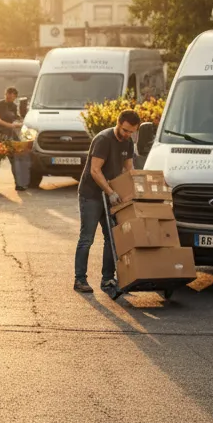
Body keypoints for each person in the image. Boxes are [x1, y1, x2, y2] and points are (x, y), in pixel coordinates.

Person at [75, 109, 141, 294]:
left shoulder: (128, 142)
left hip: (110, 195)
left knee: (111, 237)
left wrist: (133, 189)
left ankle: (107, 279)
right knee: (87, 238)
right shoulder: (103, 140)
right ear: (119, 124)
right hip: (91, 195)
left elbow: (129, 168)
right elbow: (95, 170)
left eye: (132, 132)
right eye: (126, 130)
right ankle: (80, 279)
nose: (128, 134)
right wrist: (110, 192)